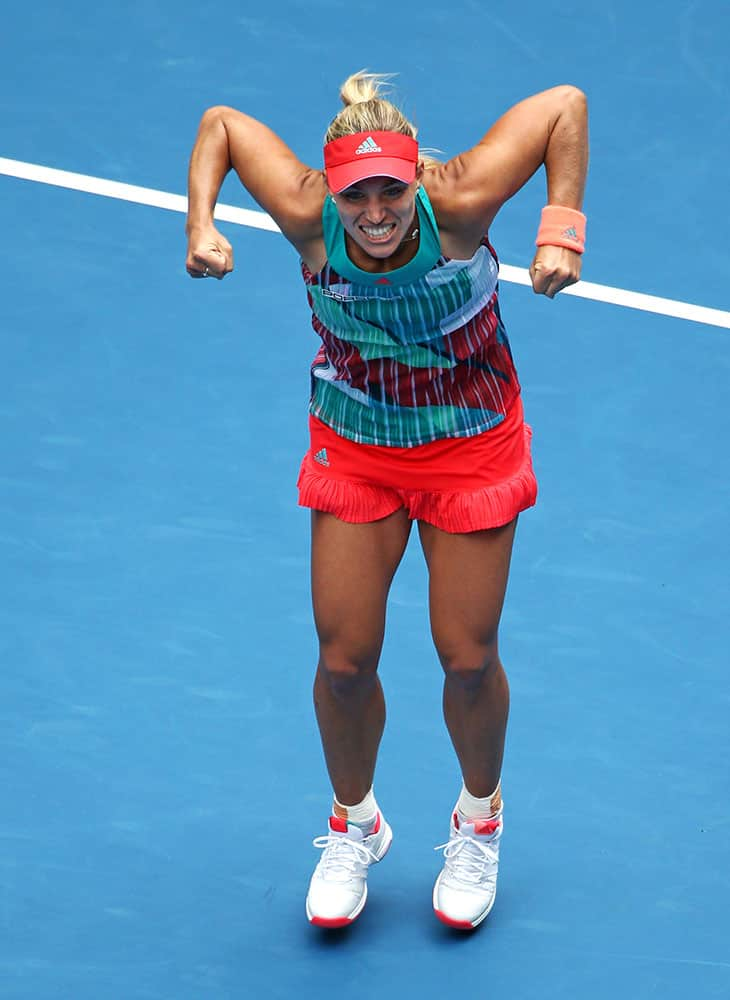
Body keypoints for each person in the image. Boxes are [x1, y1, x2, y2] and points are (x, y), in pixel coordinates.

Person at [185, 71, 588, 930]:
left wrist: (562, 232)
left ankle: (479, 821)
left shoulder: (466, 199)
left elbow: (564, 107)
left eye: (391, 191)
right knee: (342, 662)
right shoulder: (306, 216)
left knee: (467, 658)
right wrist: (203, 225)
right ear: (330, 191)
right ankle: (353, 824)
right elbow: (220, 121)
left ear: (418, 180)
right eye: (356, 193)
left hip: (471, 444)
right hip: (358, 446)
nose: (374, 212)